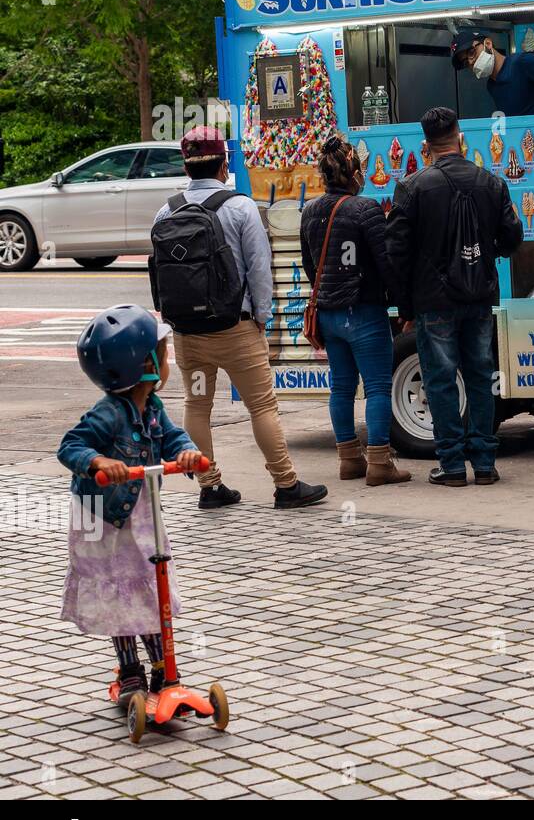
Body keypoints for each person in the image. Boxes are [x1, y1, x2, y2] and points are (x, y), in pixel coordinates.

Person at [152, 126, 327, 510]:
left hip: (188, 333)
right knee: (262, 406)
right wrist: (261, 319)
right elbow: (260, 270)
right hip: (236, 328)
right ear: (223, 164)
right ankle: (285, 485)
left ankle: (210, 486)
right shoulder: (241, 207)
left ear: (186, 166)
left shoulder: (166, 210)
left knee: (197, 404)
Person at [58, 304, 206, 699]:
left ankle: (164, 669)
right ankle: (130, 672)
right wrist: (98, 460)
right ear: (145, 366)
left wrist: (187, 454)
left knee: (148, 588)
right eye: (163, 352)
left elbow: (173, 438)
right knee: (120, 591)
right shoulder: (107, 413)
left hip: (139, 514)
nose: (168, 358)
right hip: (103, 520)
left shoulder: (153, 407)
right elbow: (71, 446)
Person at [387, 107, 524, 486]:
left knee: (441, 379)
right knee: (480, 376)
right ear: (460, 135)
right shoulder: (491, 183)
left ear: (426, 144)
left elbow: (395, 251)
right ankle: (484, 463)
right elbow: (513, 237)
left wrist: (405, 306)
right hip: (479, 297)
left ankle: (450, 465)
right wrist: (485, 252)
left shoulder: (412, 187)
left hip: (434, 302)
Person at [300, 134, 410, 486]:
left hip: (329, 314)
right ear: (355, 173)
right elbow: (388, 263)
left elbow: (308, 263)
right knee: (378, 386)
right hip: (363, 310)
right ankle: (379, 463)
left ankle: (349, 459)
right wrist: (404, 303)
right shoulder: (365, 210)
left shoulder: (309, 211)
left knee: (341, 388)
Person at [451, 30, 534, 116]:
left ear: (488, 44)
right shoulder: (492, 86)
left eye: (471, 52)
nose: (471, 61)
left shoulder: (523, 62)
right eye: (465, 62)